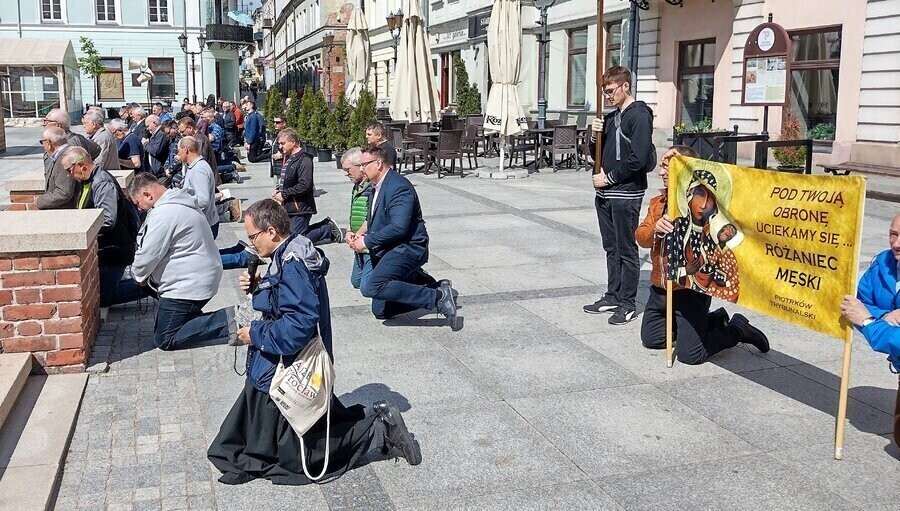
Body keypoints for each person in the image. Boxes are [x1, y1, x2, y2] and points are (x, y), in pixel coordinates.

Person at [208, 199, 420, 485]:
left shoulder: (293, 263)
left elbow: (298, 324)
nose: (251, 244)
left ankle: (380, 428)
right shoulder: (290, 250)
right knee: (285, 435)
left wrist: (254, 333)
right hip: (279, 362)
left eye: (252, 237)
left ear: (271, 232)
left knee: (300, 458)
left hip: (288, 365)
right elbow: (284, 302)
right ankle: (374, 419)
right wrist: (260, 287)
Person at [637, 146, 768, 365]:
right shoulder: (657, 203)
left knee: (691, 355)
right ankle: (714, 320)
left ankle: (737, 329)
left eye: (667, 167)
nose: (661, 173)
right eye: (661, 166)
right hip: (661, 290)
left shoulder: (704, 205)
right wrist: (655, 229)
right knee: (652, 339)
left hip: (690, 291)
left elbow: (723, 235)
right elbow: (641, 238)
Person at [348, 147, 457, 326]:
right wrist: (358, 234)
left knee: (372, 287)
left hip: (408, 247)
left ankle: (437, 296)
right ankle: (430, 285)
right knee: (381, 311)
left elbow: (399, 227)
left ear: (378, 163)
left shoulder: (398, 186)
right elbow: (376, 218)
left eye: (363, 165)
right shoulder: (376, 186)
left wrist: (366, 241)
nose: (360, 169)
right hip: (390, 248)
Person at [125, 173, 235, 351]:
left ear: (147, 194)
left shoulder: (164, 213)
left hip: (188, 284)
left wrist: (138, 275)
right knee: (169, 319)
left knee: (165, 338)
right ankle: (188, 317)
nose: (139, 209)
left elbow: (149, 253)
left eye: (138, 203)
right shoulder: (178, 202)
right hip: (198, 276)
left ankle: (230, 319)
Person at [584, 66, 655, 325]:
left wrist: (608, 178)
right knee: (610, 247)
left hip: (625, 193)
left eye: (611, 91)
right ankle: (613, 294)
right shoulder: (613, 116)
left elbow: (639, 158)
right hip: (605, 193)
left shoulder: (639, 115)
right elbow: (597, 155)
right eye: (605, 92)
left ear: (625, 86)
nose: (608, 96)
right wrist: (594, 136)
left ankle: (627, 302)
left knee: (626, 249)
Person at [841, 213, 900, 446]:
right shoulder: (884, 262)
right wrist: (884, 316)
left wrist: (868, 322)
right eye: (893, 234)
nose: (896, 244)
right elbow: (860, 302)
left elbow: (863, 315)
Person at [60, 147, 140, 308]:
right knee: (101, 291)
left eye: (69, 170)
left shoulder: (102, 182)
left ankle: (154, 285)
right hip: (104, 249)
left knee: (103, 297)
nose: (68, 175)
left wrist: (85, 229)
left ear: (81, 165)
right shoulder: (87, 181)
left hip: (114, 248)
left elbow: (108, 219)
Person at [274, 128, 341, 243]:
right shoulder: (290, 158)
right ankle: (326, 228)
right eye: (279, 143)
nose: (280, 146)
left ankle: (328, 228)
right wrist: (278, 191)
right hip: (290, 206)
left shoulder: (304, 159)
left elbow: (305, 185)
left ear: (293, 142)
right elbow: (287, 180)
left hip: (300, 207)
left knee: (297, 240)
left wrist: (284, 194)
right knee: (289, 237)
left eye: (283, 143)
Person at [341, 148, 374, 290]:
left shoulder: (372, 187)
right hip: (358, 246)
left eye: (349, 169)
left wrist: (359, 234)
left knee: (367, 287)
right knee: (357, 282)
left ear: (360, 166)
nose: (346, 174)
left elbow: (372, 215)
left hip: (369, 245)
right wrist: (349, 230)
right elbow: (353, 212)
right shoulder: (356, 186)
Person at [177, 136, 220, 238]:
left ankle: (241, 254)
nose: (178, 154)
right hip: (204, 223)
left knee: (207, 254)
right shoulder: (195, 167)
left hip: (205, 225)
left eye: (179, 151)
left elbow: (203, 200)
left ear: (186, 150)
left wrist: (183, 204)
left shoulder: (199, 170)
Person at [42, 109, 101, 174]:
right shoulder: (77, 138)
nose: (44, 124)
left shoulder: (69, 144)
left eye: (47, 121)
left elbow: (97, 149)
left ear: (58, 125)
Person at [36, 127, 75, 210]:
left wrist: (40, 201)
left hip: (63, 212)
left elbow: (64, 192)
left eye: (41, 142)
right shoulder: (63, 155)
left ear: (48, 143)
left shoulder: (64, 158)